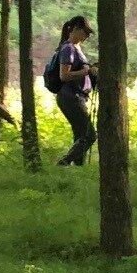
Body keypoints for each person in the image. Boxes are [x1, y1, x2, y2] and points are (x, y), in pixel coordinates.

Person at [54, 15, 97, 166]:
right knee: (90, 135)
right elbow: (64, 75)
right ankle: (64, 163)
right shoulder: (68, 48)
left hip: (76, 96)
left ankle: (79, 169)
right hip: (70, 97)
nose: (86, 36)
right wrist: (85, 72)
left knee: (80, 135)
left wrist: (90, 70)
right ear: (76, 29)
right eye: (85, 32)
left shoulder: (75, 48)